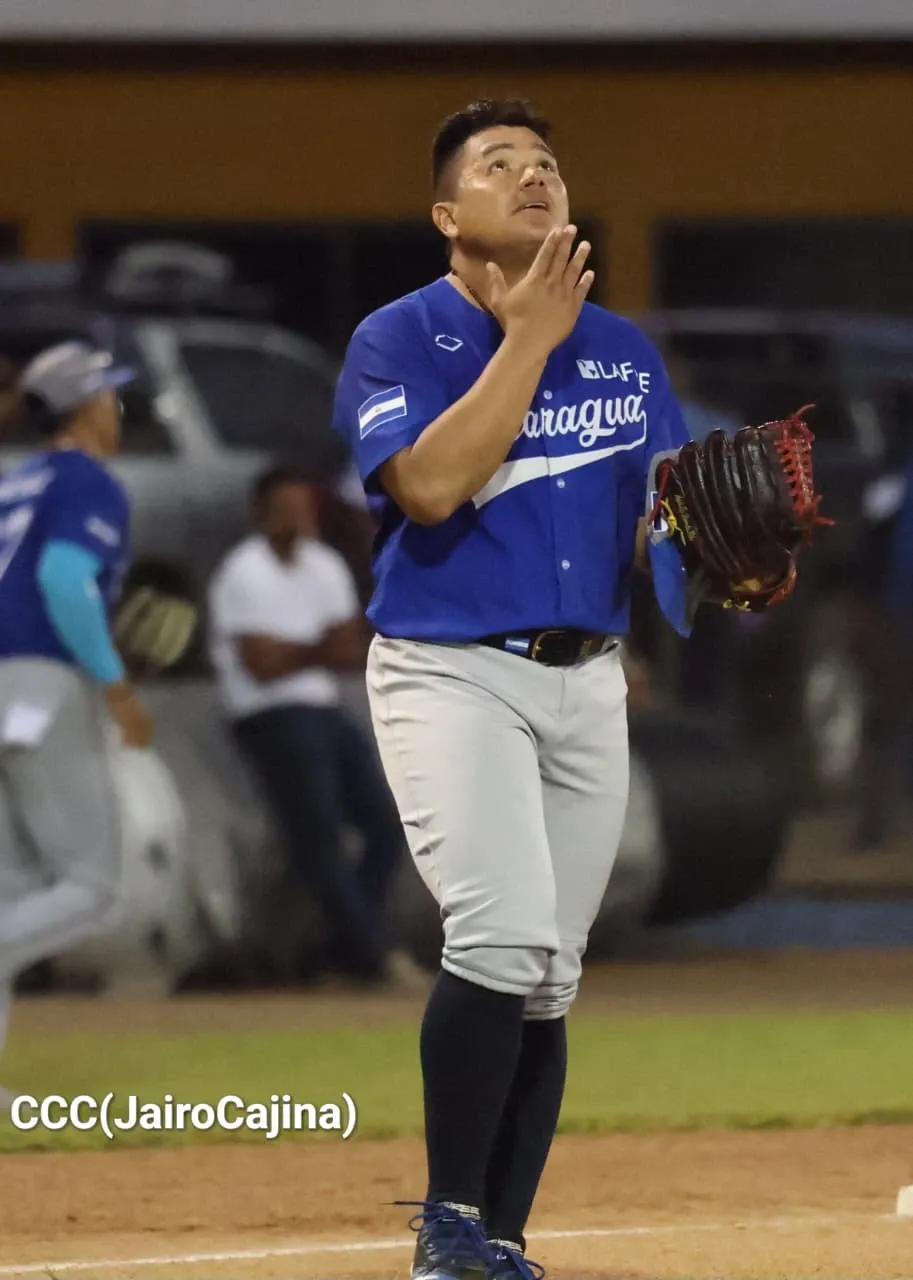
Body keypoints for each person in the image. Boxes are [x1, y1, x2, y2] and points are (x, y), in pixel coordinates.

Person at [331, 98, 690, 1280]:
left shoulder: (625, 350)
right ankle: (446, 1225)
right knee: (497, 931)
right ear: (449, 215)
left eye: (545, 163)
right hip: (449, 672)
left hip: (585, 682)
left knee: (550, 971)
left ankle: (497, 1236)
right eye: (499, 166)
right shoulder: (397, 337)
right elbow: (427, 486)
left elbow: (670, 520)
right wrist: (529, 338)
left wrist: (723, 557)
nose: (532, 177)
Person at [0, 341, 151, 1097]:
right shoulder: (86, 480)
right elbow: (65, 580)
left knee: (12, 883)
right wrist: (114, 684)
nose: (115, 407)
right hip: (40, 681)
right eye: (108, 394)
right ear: (85, 406)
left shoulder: (14, 482)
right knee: (90, 884)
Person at [207, 464, 418, 988]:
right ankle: (374, 955)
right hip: (269, 715)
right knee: (318, 834)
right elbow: (262, 667)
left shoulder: (324, 564)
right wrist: (317, 648)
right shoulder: (242, 572)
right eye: (286, 508)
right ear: (260, 513)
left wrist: (296, 650)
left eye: (304, 507)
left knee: (385, 826)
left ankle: (340, 952)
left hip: (322, 707)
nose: (299, 517)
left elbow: (350, 649)